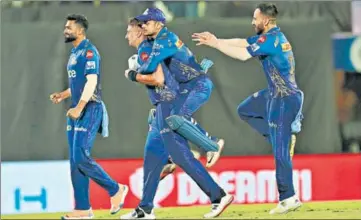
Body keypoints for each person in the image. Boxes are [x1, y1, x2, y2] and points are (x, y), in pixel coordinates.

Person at [192, 2, 304, 214]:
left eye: (255, 18)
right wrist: (216, 40)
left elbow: (244, 54)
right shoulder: (268, 37)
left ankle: (289, 198)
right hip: (273, 94)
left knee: (280, 151)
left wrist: (215, 46)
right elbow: (243, 42)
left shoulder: (272, 40)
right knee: (245, 109)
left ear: (266, 20)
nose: (252, 22)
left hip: (284, 99)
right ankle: (279, 136)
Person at [121, 11, 233, 219]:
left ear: (139, 33)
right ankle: (145, 208)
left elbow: (157, 79)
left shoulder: (148, 47)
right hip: (163, 105)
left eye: (130, 31)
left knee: (181, 154)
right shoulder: (152, 45)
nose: (127, 35)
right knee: (152, 156)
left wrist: (133, 74)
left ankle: (218, 190)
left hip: (167, 103)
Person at [49, 14, 128, 219]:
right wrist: (64, 95)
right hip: (76, 109)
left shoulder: (90, 52)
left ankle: (115, 189)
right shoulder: (75, 52)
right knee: (75, 161)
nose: (65, 30)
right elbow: (79, 83)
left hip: (89, 108)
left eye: (69, 27)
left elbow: (92, 82)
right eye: (65, 27)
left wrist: (80, 106)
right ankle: (83, 209)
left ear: (81, 31)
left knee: (81, 157)